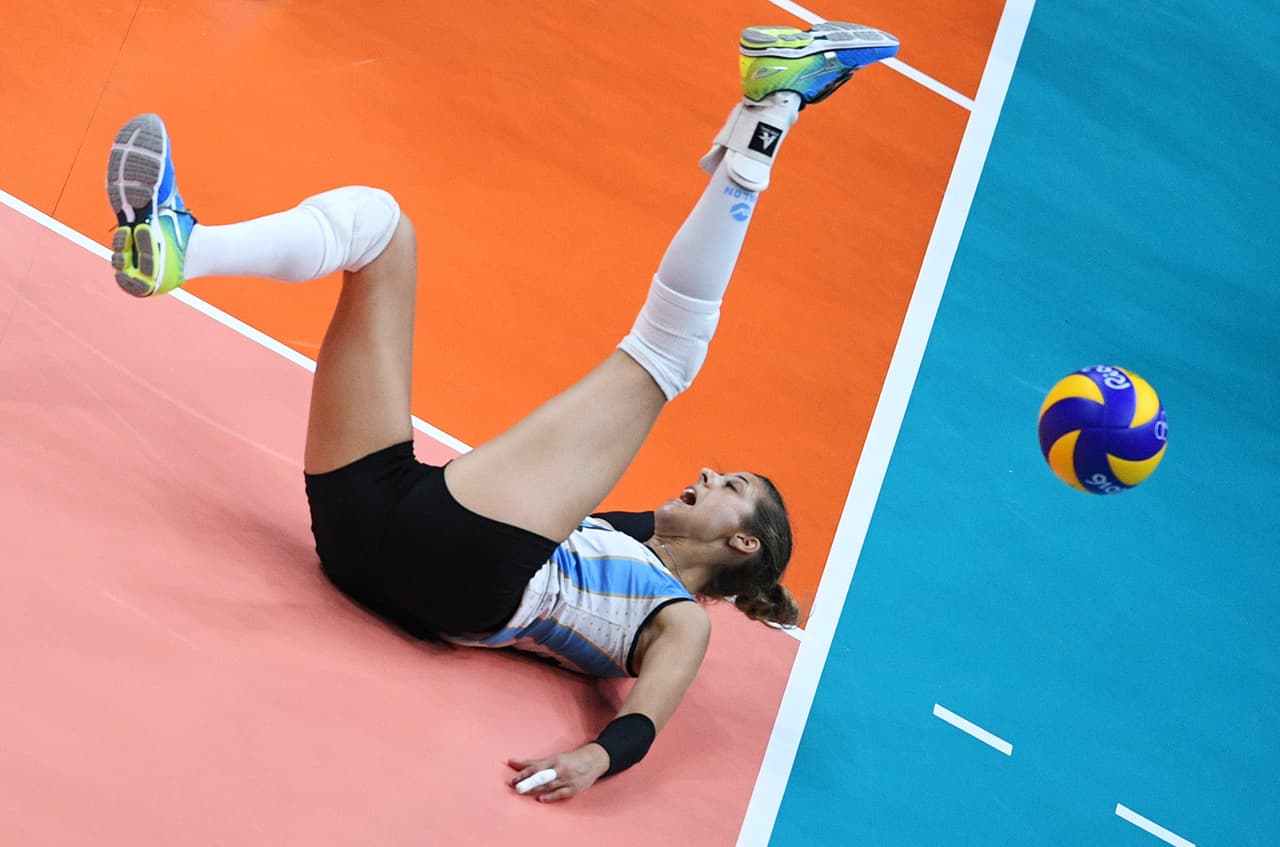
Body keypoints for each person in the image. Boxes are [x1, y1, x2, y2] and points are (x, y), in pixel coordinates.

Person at [105, 21, 899, 801]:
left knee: (666, 355)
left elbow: (650, 713)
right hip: (361, 535)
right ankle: (184, 247)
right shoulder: (618, 529)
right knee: (379, 229)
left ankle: (774, 111)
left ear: (741, 540)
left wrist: (600, 756)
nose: (706, 471)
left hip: (466, 573)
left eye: (731, 484)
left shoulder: (677, 617)